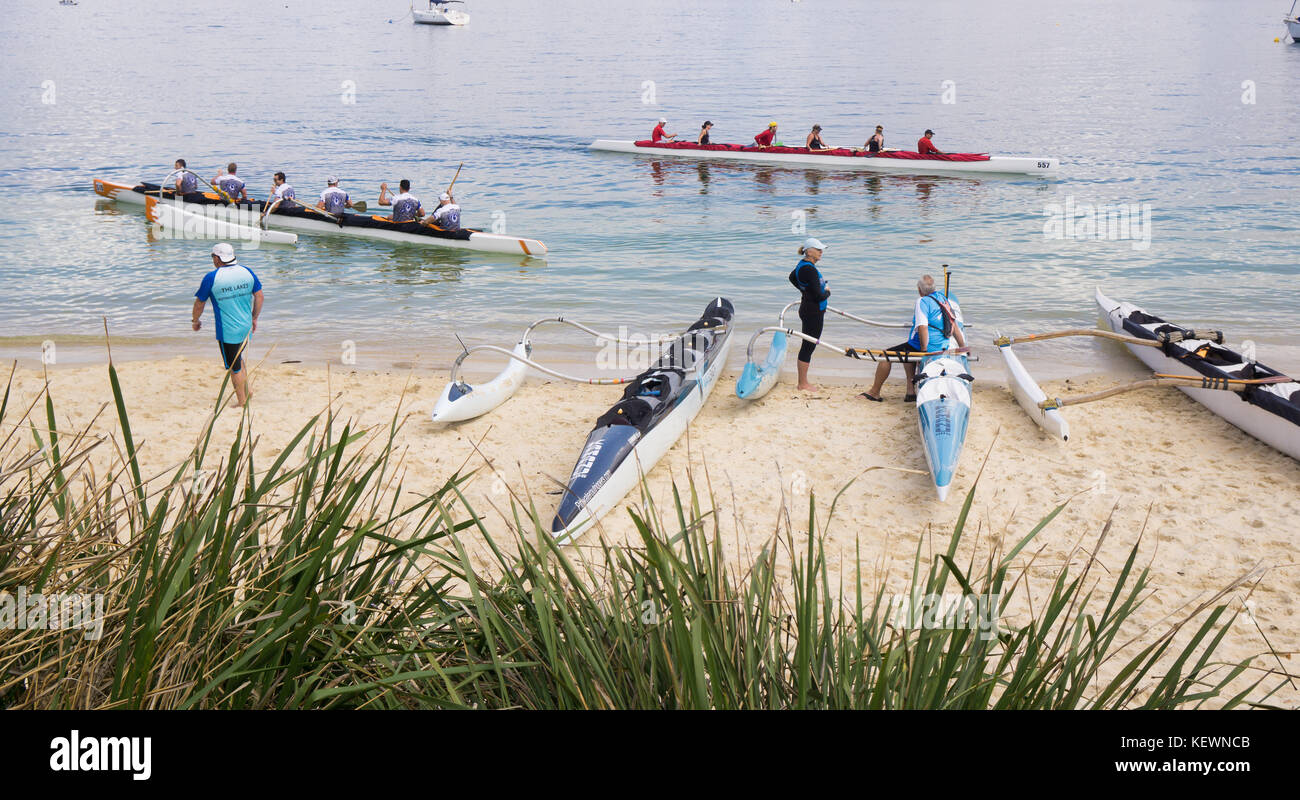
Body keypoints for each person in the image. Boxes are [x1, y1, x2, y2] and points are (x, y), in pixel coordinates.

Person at [858, 274, 966, 402]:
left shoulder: (922, 301)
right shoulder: (943, 299)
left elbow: (923, 328)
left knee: (885, 356)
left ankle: (874, 392)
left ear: (919, 290)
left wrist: (924, 352)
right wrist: (963, 347)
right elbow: (954, 326)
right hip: (942, 345)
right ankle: (910, 392)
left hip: (927, 347)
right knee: (908, 348)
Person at [192, 242, 263, 408]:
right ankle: (248, 390)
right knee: (238, 358)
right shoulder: (247, 271)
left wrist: (195, 321)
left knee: (234, 367)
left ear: (217, 259)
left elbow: (199, 304)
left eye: (213, 257)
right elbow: (259, 296)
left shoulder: (211, 278)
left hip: (228, 331)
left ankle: (242, 402)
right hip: (246, 326)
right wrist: (254, 318)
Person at [788, 237, 830, 392]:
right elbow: (819, 296)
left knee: (809, 345)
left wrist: (804, 290)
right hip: (813, 312)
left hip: (809, 309)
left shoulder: (804, 266)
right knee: (808, 346)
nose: (821, 252)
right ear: (809, 251)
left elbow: (792, 277)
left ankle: (803, 382)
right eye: (818, 249)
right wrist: (827, 292)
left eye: (821, 250)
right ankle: (803, 383)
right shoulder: (809, 269)